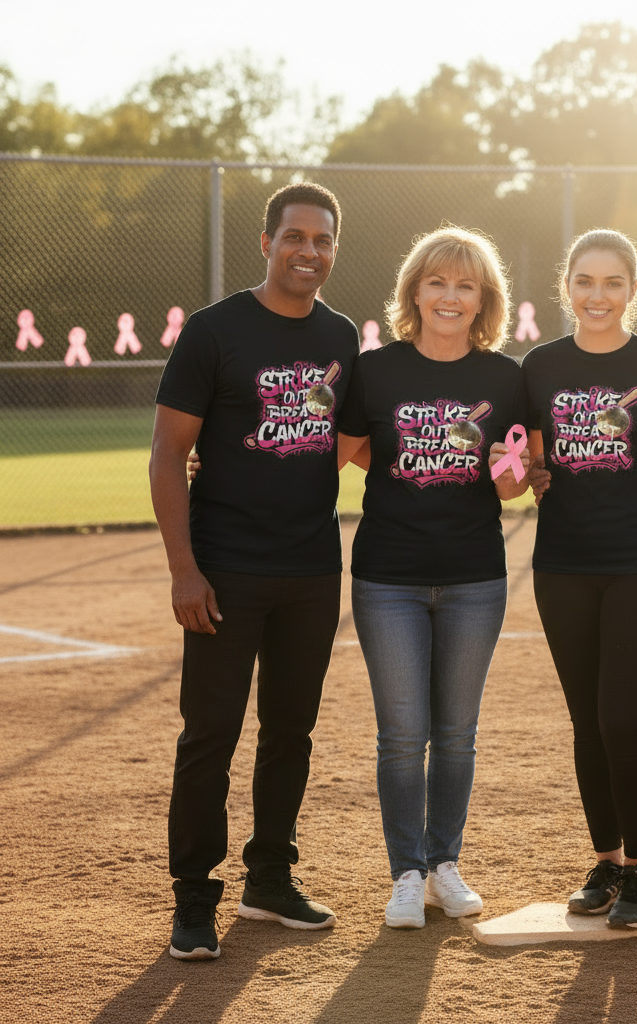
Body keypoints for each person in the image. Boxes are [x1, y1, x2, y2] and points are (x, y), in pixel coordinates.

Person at [149, 182, 360, 960]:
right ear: (266, 242)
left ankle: (269, 878)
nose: (310, 251)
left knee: (291, 732)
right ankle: (194, 898)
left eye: (324, 239)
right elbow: (169, 454)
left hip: (311, 568)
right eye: (295, 236)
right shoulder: (215, 331)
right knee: (210, 733)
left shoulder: (342, 337)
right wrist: (184, 571)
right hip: (227, 569)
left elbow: (367, 440)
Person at [335, 227, 529, 929]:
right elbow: (345, 453)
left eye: (466, 285)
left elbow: (508, 487)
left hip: (475, 576)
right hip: (389, 576)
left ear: (485, 301)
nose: (450, 297)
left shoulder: (505, 379)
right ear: (415, 292)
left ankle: (445, 863)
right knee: (401, 733)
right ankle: (407, 874)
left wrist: (524, 467)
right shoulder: (376, 370)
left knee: (455, 733)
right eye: (438, 282)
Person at [524, 230, 637, 929]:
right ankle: (604, 860)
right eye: (585, 281)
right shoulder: (538, 366)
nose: (599, 295)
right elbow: (519, 466)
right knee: (585, 721)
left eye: (613, 282)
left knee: (620, 717)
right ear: (566, 287)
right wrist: (524, 475)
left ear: (633, 290)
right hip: (562, 563)